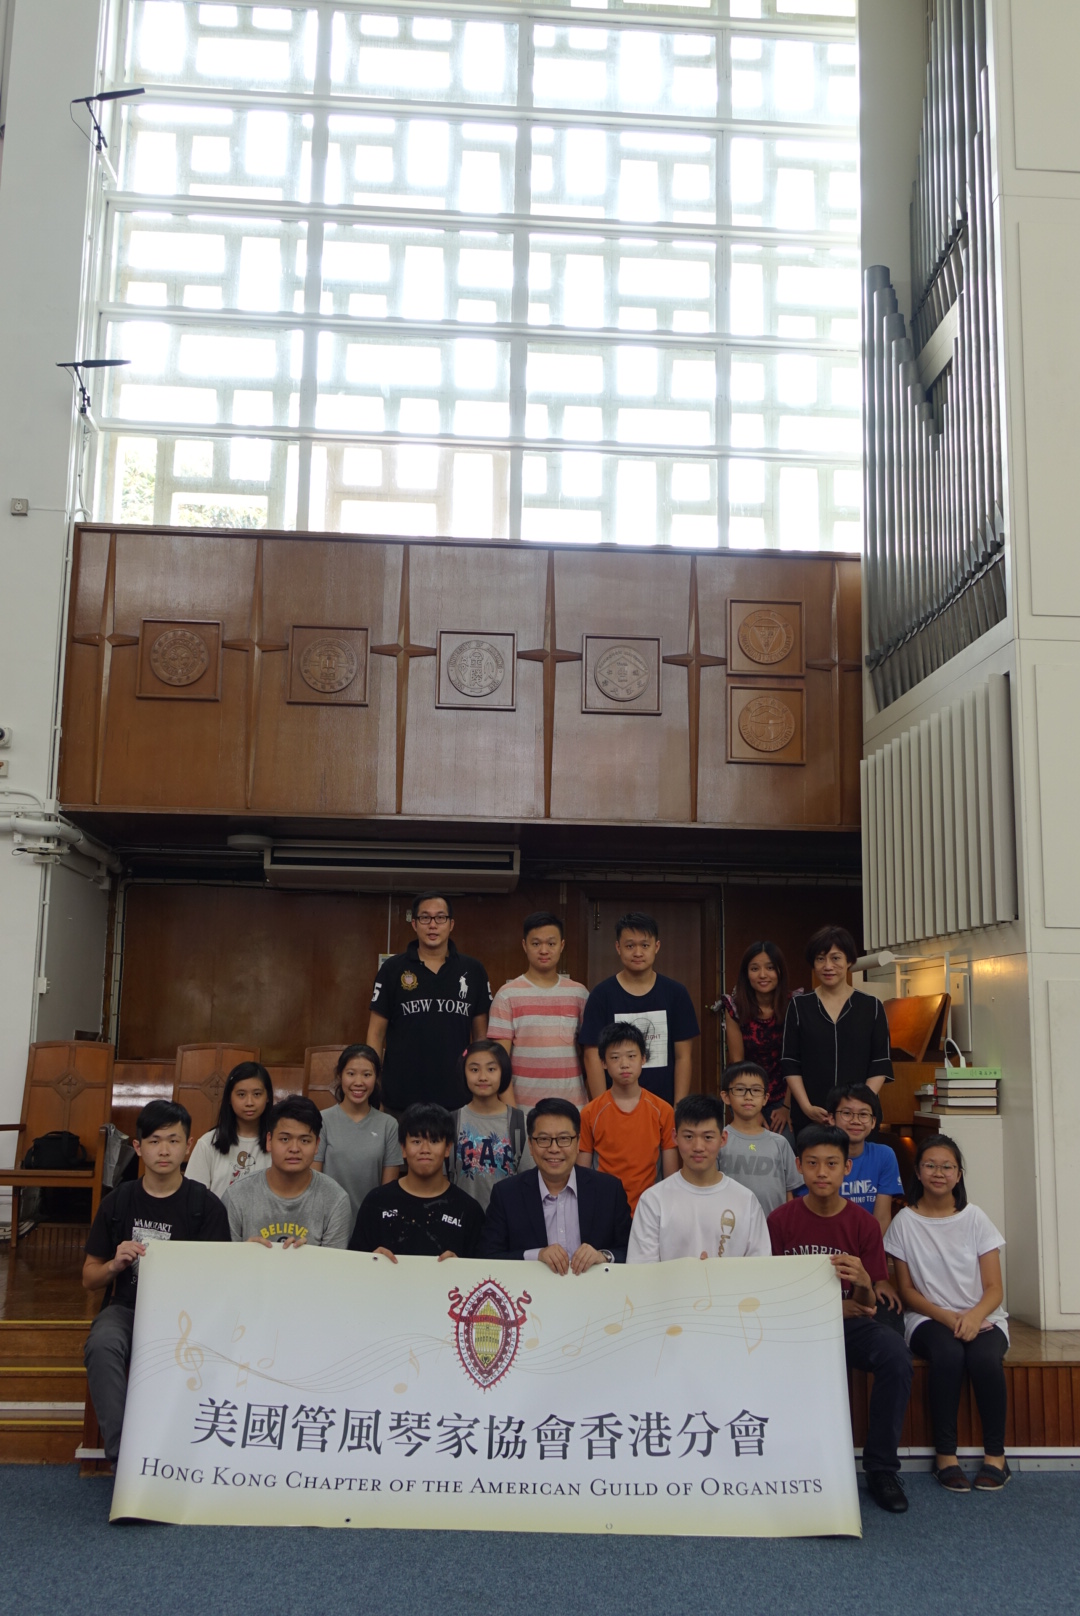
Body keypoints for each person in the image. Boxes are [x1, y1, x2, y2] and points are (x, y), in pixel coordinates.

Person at [768, 1125, 912, 1514]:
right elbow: (773, 1296)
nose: (821, 1172)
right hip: (797, 1327)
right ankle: (784, 1461)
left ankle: (881, 1468)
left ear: (847, 1168)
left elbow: (866, 1306)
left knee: (895, 1354)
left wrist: (864, 1283)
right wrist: (831, 1307)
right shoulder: (779, 1221)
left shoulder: (864, 1224)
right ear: (798, 1166)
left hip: (851, 1325)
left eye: (831, 1164)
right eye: (812, 1163)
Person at [82, 1100, 231, 1463]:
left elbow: (221, 1281)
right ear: (138, 1147)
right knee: (102, 1343)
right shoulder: (118, 1202)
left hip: (188, 1314)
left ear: (188, 1146)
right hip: (128, 1307)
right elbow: (89, 1277)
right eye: (154, 1141)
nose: (164, 1150)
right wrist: (115, 1265)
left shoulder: (206, 1205)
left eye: (173, 1141)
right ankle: (125, 1459)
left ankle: (189, 1457)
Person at [885, 1134, 1010, 1493]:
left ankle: (996, 1457)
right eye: (930, 1165)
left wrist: (972, 1317)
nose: (938, 1173)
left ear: (958, 1174)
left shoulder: (975, 1218)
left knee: (984, 1359)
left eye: (947, 1167)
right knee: (948, 1354)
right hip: (928, 1318)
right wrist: (949, 1318)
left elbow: (994, 1288)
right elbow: (907, 1291)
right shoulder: (904, 1222)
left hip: (983, 1316)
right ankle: (945, 1457)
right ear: (918, 1172)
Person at [365, 892, 492, 1113]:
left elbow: (481, 1038)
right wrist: (373, 1083)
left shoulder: (473, 970)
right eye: (425, 918)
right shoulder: (392, 969)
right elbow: (375, 1034)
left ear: (451, 924)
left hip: (458, 1097)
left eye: (440, 918)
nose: (433, 925)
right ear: (414, 924)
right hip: (401, 1097)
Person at [480, 1098, 632, 1269]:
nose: (554, 1149)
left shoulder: (609, 1190)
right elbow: (487, 1256)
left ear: (578, 1143)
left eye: (564, 1138)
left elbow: (631, 1250)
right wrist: (536, 1255)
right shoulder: (506, 1194)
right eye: (543, 1139)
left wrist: (603, 1256)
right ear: (530, 1145)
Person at [780, 925, 894, 1139]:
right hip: (812, 1114)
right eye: (820, 959)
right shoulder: (799, 1006)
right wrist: (806, 1107)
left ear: (849, 960)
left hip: (859, 1121)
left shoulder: (871, 1006)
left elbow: (880, 1063)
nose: (828, 966)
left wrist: (857, 1110)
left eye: (835, 958)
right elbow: (790, 1062)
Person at [627, 1093, 770, 1262]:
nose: (698, 1147)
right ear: (675, 1137)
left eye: (708, 1137)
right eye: (689, 1137)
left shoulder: (746, 1200)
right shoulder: (653, 1201)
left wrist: (714, 1274)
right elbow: (641, 1269)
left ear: (723, 1139)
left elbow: (759, 1267)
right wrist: (692, 1272)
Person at [579, 911, 700, 1105]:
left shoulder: (676, 993)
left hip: (664, 1105)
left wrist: (679, 1107)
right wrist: (604, 1106)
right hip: (616, 1104)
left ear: (656, 947)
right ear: (618, 947)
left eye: (644, 945)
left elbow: (683, 1056)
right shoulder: (601, 995)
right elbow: (592, 1055)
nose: (637, 953)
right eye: (630, 946)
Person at [350, 1103, 485, 1259]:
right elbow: (353, 1264)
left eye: (434, 1141)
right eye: (416, 1141)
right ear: (403, 1148)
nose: (425, 1150)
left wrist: (462, 1267)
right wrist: (369, 1260)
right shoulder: (376, 1202)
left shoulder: (468, 1210)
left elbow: (482, 1269)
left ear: (448, 1148)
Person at [488, 911, 589, 1108]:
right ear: (524, 945)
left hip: (572, 1108)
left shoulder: (579, 994)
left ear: (562, 945)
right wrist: (513, 1113)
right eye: (536, 944)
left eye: (551, 943)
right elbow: (499, 1062)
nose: (544, 950)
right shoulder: (507, 995)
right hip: (525, 1109)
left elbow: (591, 1056)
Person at [223, 1096, 351, 1248]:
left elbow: (333, 1262)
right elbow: (222, 1259)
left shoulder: (335, 1199)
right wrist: (243, 1253)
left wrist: (306, 1256)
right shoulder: (236, 1196)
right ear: (269, 1141)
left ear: (317, 1145)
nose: (294, 1149)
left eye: (305, 1141)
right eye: (284, 1139)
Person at [578, 1022, 678, 1212]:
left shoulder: (663, 1110)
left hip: (649, 1210)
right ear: (603, 1063)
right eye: (615, 1058)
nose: (624, 1064)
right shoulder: (590, 1112)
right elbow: (583, 1175)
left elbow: (671, 1176)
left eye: (631, 1056)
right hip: (604, 1210)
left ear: (643, 1058)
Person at [793, 1084, 903, 1237]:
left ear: (873, 1122)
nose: (855, 1121)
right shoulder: (814, 1157)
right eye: (847, 1113)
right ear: (831, 1118)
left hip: (866, 1243)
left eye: (863, 1114)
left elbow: (882, 1218)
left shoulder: (884, 1155)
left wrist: (870, 1249)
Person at [314, 1044, 403, 1224]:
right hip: (328, 1222)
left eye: (367, 1075)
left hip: (371, 1223)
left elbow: (388, 1193)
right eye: (351, 1073)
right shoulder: (322, 1120)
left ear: (376, 1078)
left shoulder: (389, 1125)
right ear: (340, 1076)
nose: (358, 1082)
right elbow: (314, 1182)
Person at [721, 941, 798, 1134]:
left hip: (785, 1096)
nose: (763, 975)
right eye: (755, 969)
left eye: (770, 968)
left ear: (780, 971)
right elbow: (738, 1062)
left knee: (784, 1144)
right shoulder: (735, 1008)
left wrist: (786, 1107)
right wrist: (752, 1108)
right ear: (746, 974)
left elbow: (796, 1061)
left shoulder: (794, 1005)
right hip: (746, 1092)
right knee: (751, 1144)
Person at [449, 1039, 530, 1210]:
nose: (483, 1077)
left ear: (503, 1072)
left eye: (491, 1069)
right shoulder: (452, 1122)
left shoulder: (520, 1123)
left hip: (508, 1219)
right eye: (474, 1069)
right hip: (462, 1217)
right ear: (463, 1072)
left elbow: (528, 1181)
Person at [716, 1061, 802, 1217]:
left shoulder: (780, 1143)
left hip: (772, 1226)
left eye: (756, 1090)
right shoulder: (718, 1141)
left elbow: (789, 1192)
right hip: (730, 1225)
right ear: (726, 1096)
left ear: (765, 1098)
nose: (748, 1096)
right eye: (740, 1090)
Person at [185, 1061, 273, 1197]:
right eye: (241, 1095)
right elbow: (193, 1197)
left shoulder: (278, 1142)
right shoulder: (208, 1143)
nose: (249, 1102)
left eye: (257, 1094)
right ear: (229, 1098)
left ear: (267, 1097)